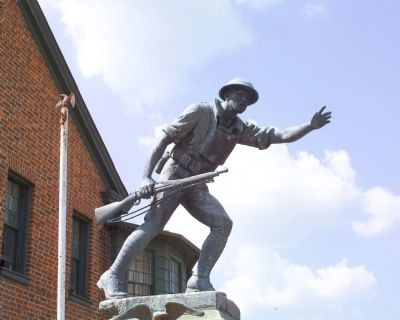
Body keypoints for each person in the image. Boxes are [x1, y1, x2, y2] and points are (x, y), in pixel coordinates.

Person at [97, 78, 332, 299]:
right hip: (175, 174)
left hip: (196, 184)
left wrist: (310, 126)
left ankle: (198, 279)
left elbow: (278, 135)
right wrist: (145, 177)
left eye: (248, 100)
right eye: (240, 95)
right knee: (153, 225)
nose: (243, 102)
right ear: (227, 94)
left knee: (223, 224)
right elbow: (164, 139)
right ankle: (113, 275)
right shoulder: (200, 111)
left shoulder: (240, 128)